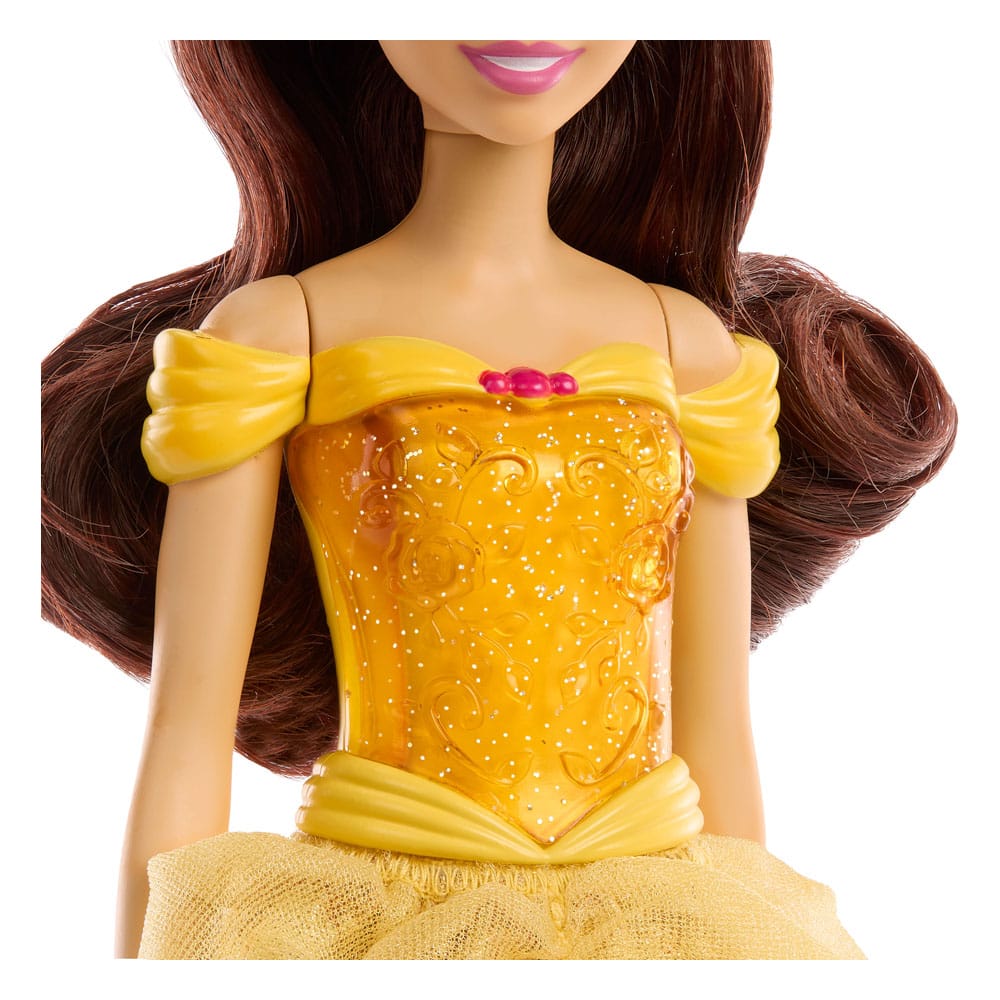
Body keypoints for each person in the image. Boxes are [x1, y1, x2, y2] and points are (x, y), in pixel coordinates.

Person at [40, 41, 956, 959]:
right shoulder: (285, 331)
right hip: (384, 907)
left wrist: (746, 940)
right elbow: (186, 728)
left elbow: (718, 732)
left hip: (650, 918)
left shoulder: (687, 347)